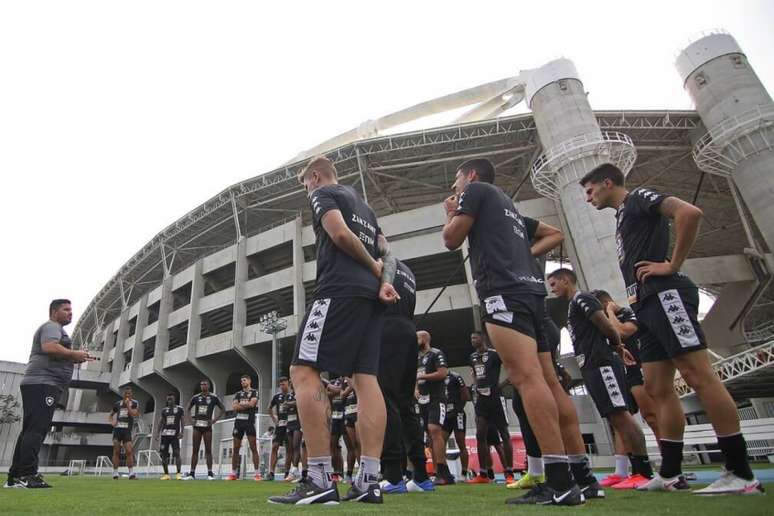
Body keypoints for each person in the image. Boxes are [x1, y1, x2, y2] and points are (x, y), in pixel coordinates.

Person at [580, 163, 762, 495]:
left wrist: (672, 265)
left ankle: (740, 472)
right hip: (644, 305)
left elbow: (689, 213)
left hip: (666, 295)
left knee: (697, 374)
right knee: (656, 387)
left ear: (608, 183)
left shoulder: (637, 198)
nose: (588, 198)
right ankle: (670, 473)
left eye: (591, 190)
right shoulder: (623, 216)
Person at [442, 158, 584, 505]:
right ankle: (581, 476)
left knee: (527, 379)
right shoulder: (506, 207)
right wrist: (522, 258)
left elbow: (451, 239)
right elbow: (555, 234)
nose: (454, 189)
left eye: (456, 182)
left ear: (471, 176)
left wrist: (450, 212)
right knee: (549, 382)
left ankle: (559, 482)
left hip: (504, 291)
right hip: (532, 293)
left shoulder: (474, 192)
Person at [268, 156, 399, 505]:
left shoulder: (323, 194)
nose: (306, 189)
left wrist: (372, 266)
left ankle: (320, 477)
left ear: (315, 176)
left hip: (337, 290)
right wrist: (382, 280)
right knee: (366, 378)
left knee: (302, 369)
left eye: (305, 182)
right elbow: (389, 252)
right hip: (370, 297)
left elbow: (339, 233)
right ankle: (369, 481)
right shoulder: (366, 209)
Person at [548, 268, 654, 490]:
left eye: (554, 283)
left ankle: (643, 471)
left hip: (602, 363)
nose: (552, 288)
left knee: (621, 415)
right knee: (614, 418)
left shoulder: (583, 298)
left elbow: (605, 326)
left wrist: (617, 346)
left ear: (566, 280)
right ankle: (632, 471)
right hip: (591, 365)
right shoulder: (573, 304)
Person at [5, 299, 94, 489]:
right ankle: (28, 474)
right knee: (37, 430)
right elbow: (49, 347)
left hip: (41, 384)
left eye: (71, 309)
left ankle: (15, 476)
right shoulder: (52, 327)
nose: (71, 313)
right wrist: (74, 354)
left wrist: (77, 357)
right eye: (66, 309)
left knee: (30, 430)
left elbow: (55, 352)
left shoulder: (54, 328)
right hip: (43, 383)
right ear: (54, 312)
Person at [592, 289, 661, 487]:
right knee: (620, 420)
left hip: (637, 369)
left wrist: (611, 312)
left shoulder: (625, 314)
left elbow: (622, 332)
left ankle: (669, 466)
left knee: (651, 416)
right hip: (619, 371)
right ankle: (621, 470)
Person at [378, 259, 435, 494]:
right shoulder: (408, 271)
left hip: (387, 328)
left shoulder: (380, 264)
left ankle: (392, 476)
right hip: (407, 331)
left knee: (386, 401)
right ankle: (421, 476)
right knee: (406, 405)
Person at [467, 332, 514, 484]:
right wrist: (475, 385)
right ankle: (483, 473)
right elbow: (474, 373)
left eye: (475, 338)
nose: (473, 340)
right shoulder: (472, 357)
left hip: (495, 398)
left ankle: (509, 472)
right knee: (480, 434)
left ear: (483, 339)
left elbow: (510, 367)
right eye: (471, 338)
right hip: (481, 400)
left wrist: (501, 385)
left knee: (504, 433)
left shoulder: (494, 354)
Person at [416, 330, 455, 486]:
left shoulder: (436, 354)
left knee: (434, 430)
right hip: (423, 400)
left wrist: (423, 376)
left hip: (436, 398)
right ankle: (440, 472)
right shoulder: (416, 358)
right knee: (429, 434)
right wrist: (415, 390)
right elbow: (414, 376)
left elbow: (442, 373)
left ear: (425, 339)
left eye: (417, 338)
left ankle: (443, 471)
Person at [183, 379, 224, 480]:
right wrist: (191, 421)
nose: (203, 386)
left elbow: (223, 409)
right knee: (195, 450)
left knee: (208, 450)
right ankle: (192, 474)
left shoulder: (213, 397)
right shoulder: (196, 397)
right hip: (197, 426)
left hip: (207, 426)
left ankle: (210, 474)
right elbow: (187, 408)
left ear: (208, 386)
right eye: (201, 384)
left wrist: (214, 420)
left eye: (205, 384)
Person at [226, 374, 261, 481]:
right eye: (241, 381)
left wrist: (241, 405)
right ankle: (233, 473)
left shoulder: (254, 392)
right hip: (238, 423)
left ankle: (257, 474)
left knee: (253, 447)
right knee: (236, 448)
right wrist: (245, 405)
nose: (242, 382)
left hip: (249, 422)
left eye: (244, 380)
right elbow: (234, 407)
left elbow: (252, 404)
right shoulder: (238, 394)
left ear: (249, 381)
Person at [442, 370, 470, 481]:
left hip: (457, 413)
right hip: (445, 415)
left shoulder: (455, 376)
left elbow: (466, 395)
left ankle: (464, 473)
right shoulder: (437, 377)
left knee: (461, 442)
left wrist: (458, 408)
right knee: (441, 442)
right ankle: (445, 472)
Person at [110, 386, 139, 479]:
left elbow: (134, 414)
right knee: (116, 451)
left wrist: (128, 406)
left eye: (129, 393)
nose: (127, 395)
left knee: (129, 451)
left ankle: (131, 473)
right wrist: (112, 421)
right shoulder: (117, 404)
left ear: (131, 394)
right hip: (117, 430)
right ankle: (115, 473)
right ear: (123, 394)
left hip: (127, 430)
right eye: (126, 393)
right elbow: (111, 415)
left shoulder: (134, 403)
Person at [156, 392, 184, 480]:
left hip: (175, 435)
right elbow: (161, 422)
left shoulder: (179, 409)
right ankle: (166, 474)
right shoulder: (164, 410)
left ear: (174, 399)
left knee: (177, 453)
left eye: (171, 399)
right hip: (165, 435)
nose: (169, 401)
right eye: (168, 399)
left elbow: (183, 421)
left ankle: (178, 473)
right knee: (163, 454)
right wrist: (157, 433)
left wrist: (182, 432)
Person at [268, 377, 291, 481]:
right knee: (274, 446)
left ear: (288, 384)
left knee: (289, 448)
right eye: (280, 385)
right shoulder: (277, 397)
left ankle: (287, 473)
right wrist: (274, 419)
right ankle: (271, 472)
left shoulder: (293, 395)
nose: (282, 387)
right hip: (280, 425)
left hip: (291, 424)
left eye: (284, 384)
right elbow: (269, 408)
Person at [342, 378, 360, 484]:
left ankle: (365, 471)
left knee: (360, 443)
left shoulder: (357, 374)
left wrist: (352, 385)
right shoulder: (343, 379)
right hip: (348, 413)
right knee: (354, 445)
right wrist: (350, 387)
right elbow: (342, 395)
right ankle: (349, 474)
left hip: (358, 411)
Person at [282, 385, 302, 481]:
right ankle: (292, 471)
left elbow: (299, 403)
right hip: (289, 423)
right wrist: (290, 404)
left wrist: (289, 404)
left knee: (296, 446)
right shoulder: (289, 395)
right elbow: (284, 407)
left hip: (298, 423)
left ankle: (294, 469)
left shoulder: (300, 392)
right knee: (289, 448)